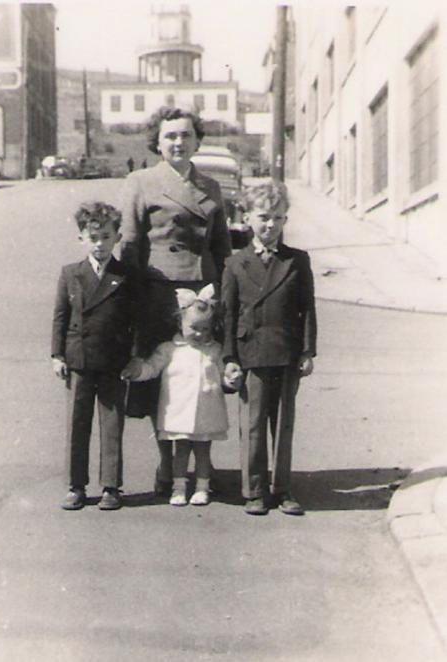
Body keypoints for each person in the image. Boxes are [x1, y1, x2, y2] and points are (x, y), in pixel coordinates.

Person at [119, 105, 232, 497]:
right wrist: (128, 293)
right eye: (170, 136)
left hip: (203, 292)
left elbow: (222, 246)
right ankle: (168, 463)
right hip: (158, 291)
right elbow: (130, 242)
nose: (178, 142)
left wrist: (225, 291)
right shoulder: (141, 181)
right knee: (164, 378)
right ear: (157, 142)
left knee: (203, 377)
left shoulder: (211, 187)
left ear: (197, 140)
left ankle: (201, 459)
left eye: (185, 135)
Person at [221, 181, 317, 516]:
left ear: (285, 220)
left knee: (284, 422)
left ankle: (283, 489)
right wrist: (229, 358)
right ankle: (255, 490)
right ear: (247, 217)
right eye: (263, 216)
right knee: (253, 423)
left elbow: (307, 309)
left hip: (286, 352)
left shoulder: (297, 261)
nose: (270, 224)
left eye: (278, 217)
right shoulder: (235, 264)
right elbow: (229, 314)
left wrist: (307, 351)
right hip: (251, 353)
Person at [51, 202, 138, 511]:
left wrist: (134, 357)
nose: (99, 244)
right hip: (79, 361)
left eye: (106, 237)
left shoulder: (126, 275)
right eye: (93, 237)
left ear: (117, 237)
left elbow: (136, 319)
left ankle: (111, 486)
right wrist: (57, 355)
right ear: (81, 238)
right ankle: (75, 485)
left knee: (112, 425)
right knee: (77, 423)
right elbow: (60, 317)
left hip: (114, 362)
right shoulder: (71, 273)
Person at [121, 285, 236, 506]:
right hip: (179, 412)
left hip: (206, 413)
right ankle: (179, 487)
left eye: (206, 328)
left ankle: (202, 488)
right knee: (180, 451)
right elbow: (152, 368)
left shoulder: (215, 350)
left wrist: (231, 379)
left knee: (203, 452)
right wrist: (137, 372)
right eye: (194, 328)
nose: (200, 333)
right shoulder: (169, 349)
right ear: (180, 323)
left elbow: (224, 374)